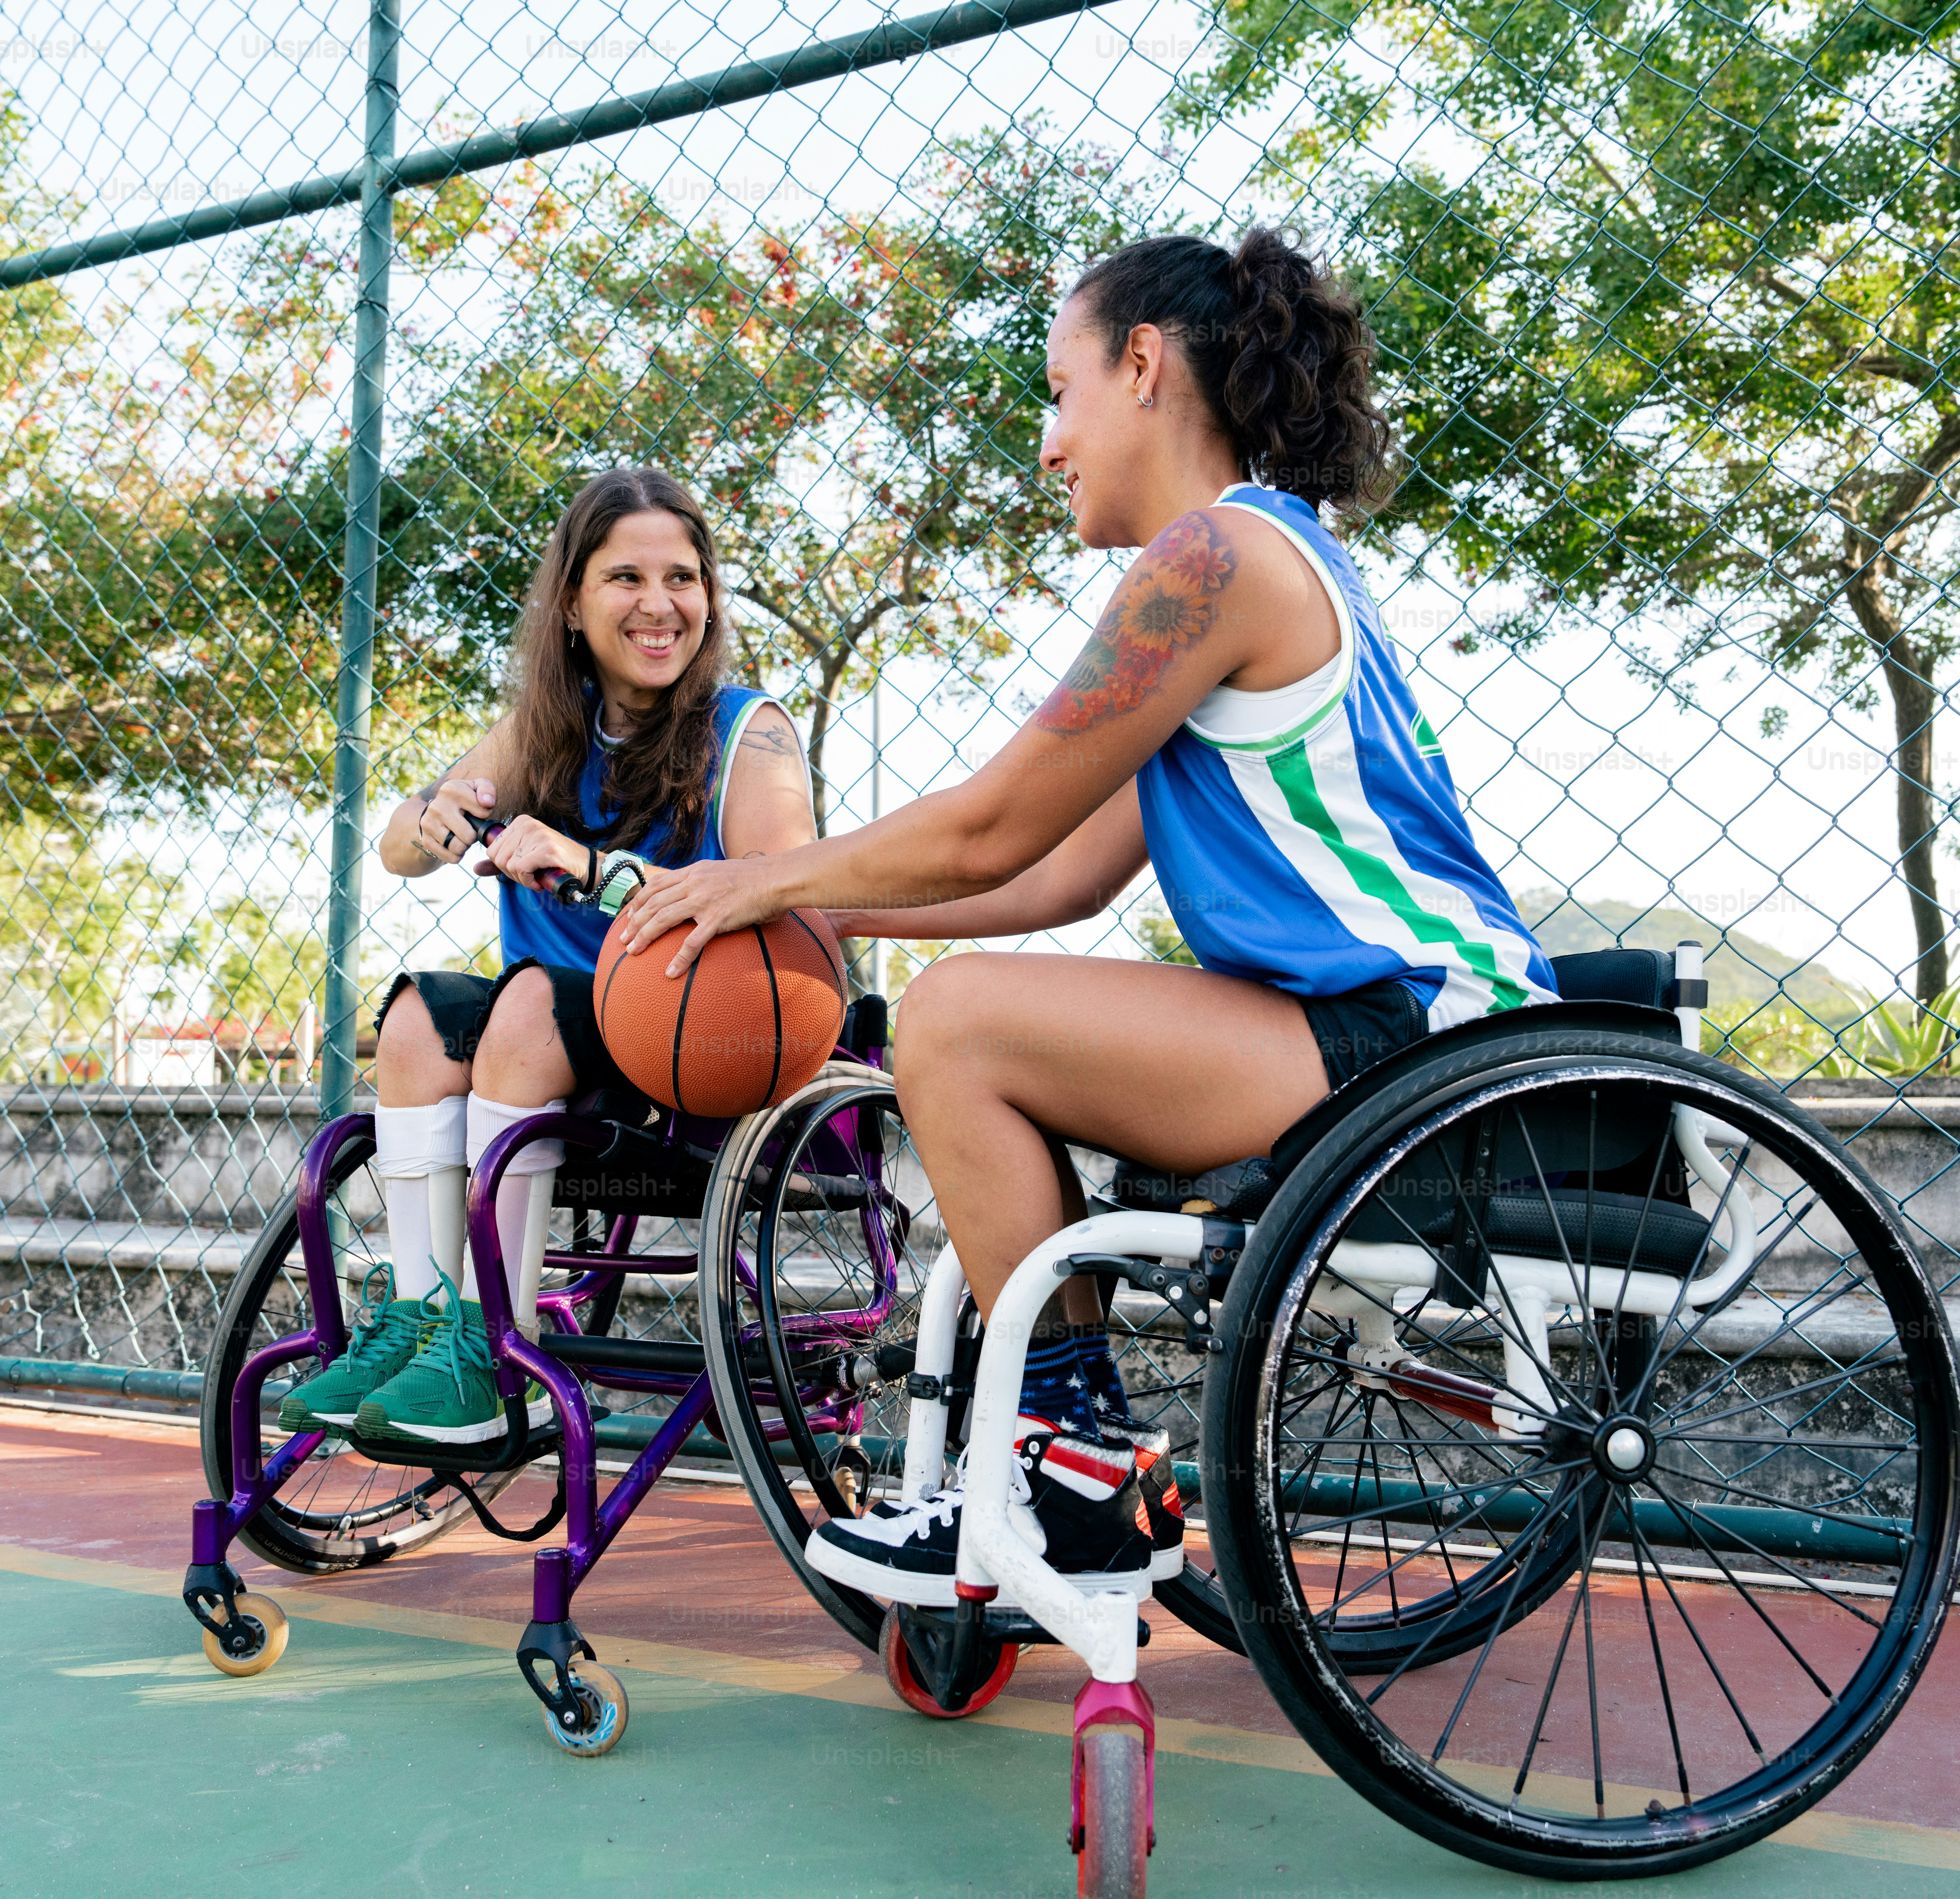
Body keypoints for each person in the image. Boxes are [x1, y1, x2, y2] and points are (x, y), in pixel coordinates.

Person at [611, 229, 1558, 1603]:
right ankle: (1071, 1458)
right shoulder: (1250, 558)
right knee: (962, 1020)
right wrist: (813, 926)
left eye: (1059, 394)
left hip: (1415, 1034)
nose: (1050, 445)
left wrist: (763, 876)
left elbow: (997, 821)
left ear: (1142, 362)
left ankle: (1070, 1467)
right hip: (1365, 1025)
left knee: (959, 1028)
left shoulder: (1211, 561)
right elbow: (1053, 874)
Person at [278, 466, 816, 1448]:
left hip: (693, 1041)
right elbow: (402, 847)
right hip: (555, 1048)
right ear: (571, 603)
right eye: (626, 579)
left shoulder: (749, 730)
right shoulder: (543, 729)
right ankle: (422, 1319)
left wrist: (597, 870)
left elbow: (786, 889)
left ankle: (497, 1351)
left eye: (683, 578)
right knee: (414, 1017)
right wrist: (428, 818)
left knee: (523, 1004)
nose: (661, 605)